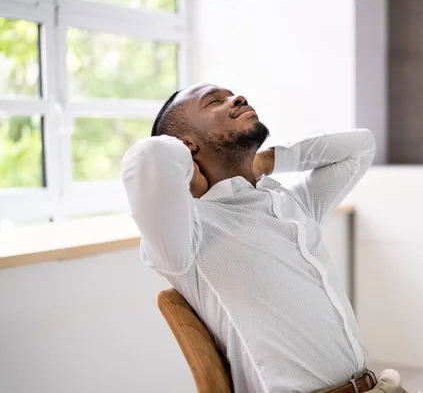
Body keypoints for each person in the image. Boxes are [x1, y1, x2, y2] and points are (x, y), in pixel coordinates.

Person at [121, 83, 406, 393]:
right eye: (214, 101)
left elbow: (361, 146)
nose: (238, 98)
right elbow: (146, 157)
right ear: (186, 145)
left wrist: (268, 161)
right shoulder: (188, 233)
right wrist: (189, 173)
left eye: (232, 94)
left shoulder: (290, 203)